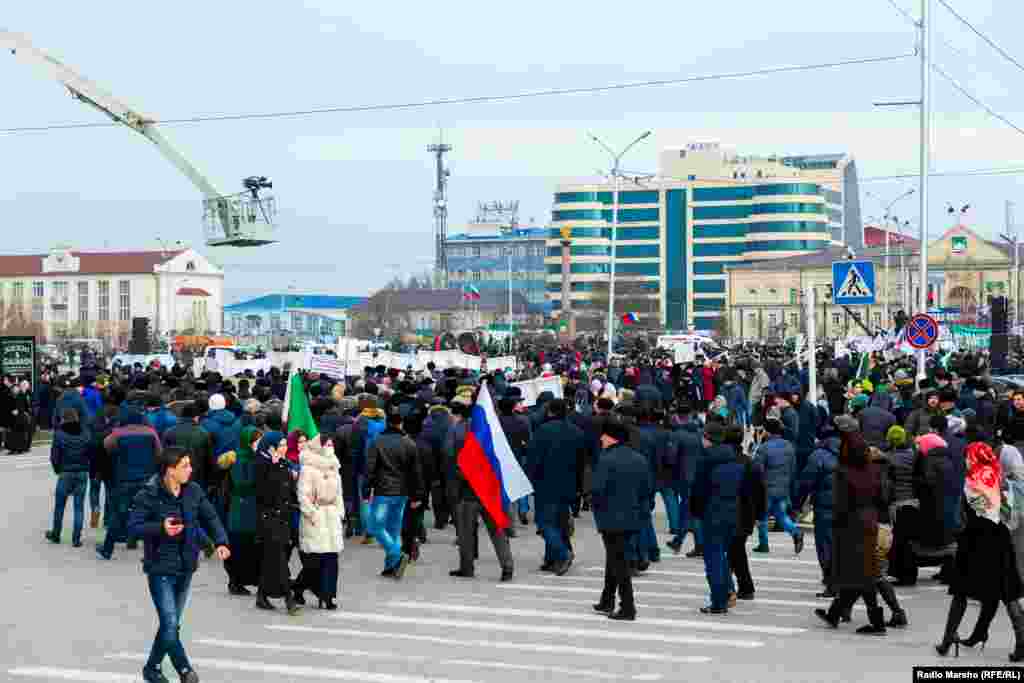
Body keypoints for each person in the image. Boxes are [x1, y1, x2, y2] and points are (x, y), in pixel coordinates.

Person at [127, 446, 230, 683]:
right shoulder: (149, 494)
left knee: (170, 625)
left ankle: (152, 668)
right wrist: (160, 528)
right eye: (185, 466)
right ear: (170, 470)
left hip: (186, 566)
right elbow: (133, 527)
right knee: (170, 623)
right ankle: (184, 669)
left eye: (189, 465)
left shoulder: (193, 491)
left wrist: (221, 541)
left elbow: (210, 517)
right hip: (160, 568)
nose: (190, 469)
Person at [935, 441, 1024, 661]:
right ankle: (1021, 639)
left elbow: (961, 518)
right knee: (1008, 592)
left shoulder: (971, 482)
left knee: (960, 592)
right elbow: (1008, 515)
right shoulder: (1001, 481)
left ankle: (948, 639)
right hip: (1001, 540)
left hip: (974, 541)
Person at [814, 435, 888, 635]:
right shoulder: (873, 470)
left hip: (850, 525)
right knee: (861, 571)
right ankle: (835, 613)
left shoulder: (843, 472)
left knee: (861, 574)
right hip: (869, 521)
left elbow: (841, 503)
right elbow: (882, 498)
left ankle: (877, 622)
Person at [591, 417, 652, 621]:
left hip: (611, 518)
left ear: (612, 438)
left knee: (619, 562)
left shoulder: (606, 459)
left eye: (604, 435)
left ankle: (627, 606)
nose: (601, 438)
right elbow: (646, 490)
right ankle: (607, 599)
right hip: (633, 517)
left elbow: (598, 491)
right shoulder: (639, 458)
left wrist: (597, 510)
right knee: (614, 557)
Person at [527, 398, 585, 576]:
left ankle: (563, 553)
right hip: (569, 484)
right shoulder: (576, 432)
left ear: (550, 411)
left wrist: (529, 479)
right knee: (559, 522)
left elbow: (533, 459)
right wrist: (579, 486)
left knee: (545, 523)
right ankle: (551, 558)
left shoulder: (543, 430)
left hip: (546, 483)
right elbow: (581, 462)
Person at [366, 407, 423, 579]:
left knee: (375, 527)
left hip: (383, 491)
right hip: (402, 492)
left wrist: (366, 490)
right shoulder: (409, 443)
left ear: (387, 423)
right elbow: (416, 472)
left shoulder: (377, 441)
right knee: (393, 529)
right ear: (401, 424)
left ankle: (396, 555)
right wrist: (417, 495)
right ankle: (390, 567)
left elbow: (370, 469)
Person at [98, 408, 162, 560]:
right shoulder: (151, 432)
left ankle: (107, 549)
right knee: (151, 515)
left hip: (124, 479)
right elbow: (160, 453)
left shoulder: (118, 433)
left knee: (118, 514)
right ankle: (152, 554)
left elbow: (106, 446)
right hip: (146, 480)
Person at [295, 437, 344, 609]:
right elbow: (303, 495)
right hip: (316, 516)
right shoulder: (308, 468)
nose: (330, 447)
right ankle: (298, 587)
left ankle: (329, 597)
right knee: (314, 562)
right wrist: (312, 514)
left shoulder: (334, 466)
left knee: (332, 559)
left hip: (331, 516)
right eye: (327, 444)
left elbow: (339, 493)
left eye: (332, 444)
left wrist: (339, 512)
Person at [254, 432, 301, 614]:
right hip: (269, 518)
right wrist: (274, 467)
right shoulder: (261, 464)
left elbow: (288, 491)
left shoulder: (283, 463)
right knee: (280, 560)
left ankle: (261, 595)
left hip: (284, 518)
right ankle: (289, 598)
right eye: (280, 445)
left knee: (272, 559)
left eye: (284, 445)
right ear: (270, 447)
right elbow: (265, 493)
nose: (284, 448)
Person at [752, 419, 805, 555]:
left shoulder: (764, 448)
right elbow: (793, 469)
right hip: (783, 487)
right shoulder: (789, 446)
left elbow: (757, 469)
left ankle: (764, 544)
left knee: (762, 516)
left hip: (767, 488)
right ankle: (796, 532)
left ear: (767, 432)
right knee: (781, 515)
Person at [223, 426, 263, 596]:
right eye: (255, 441)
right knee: (240, 546)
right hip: (241, 509)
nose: (258, 444)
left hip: (251, 508)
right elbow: (242, 483)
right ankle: (236, 581)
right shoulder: (239, 460)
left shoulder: (255, 458)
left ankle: (250, 579)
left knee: (251, 546)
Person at [46, 409, 92, 547]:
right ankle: (76, 539)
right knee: (79, 507)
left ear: (63, 419)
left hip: (65, 473)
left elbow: (54, 457)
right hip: (82, 473)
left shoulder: (59, 434)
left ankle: (56, 534)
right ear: (77, 418)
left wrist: (58, 470)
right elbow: (90, 453)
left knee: (60, 506)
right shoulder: (86, 433)